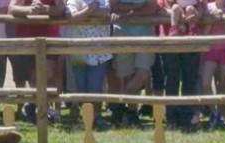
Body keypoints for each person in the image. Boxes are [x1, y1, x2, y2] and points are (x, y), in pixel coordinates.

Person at [9, 0, 65, 123]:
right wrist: (29, 10)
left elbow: (61, 9)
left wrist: (44, 8)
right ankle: (37, 109)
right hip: (27, 39)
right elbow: (12, 8)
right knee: (32, 77)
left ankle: (34, 106)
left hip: (49, 39)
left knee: (46, 73)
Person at [110, 0, 158, 127]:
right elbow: (113, 6)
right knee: (125, 74)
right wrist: (140, 7)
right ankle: (131, 112)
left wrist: (127, 12)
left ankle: (121, 104)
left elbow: (152, 8)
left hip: (145, 33)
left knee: (143, 72)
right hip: (121, 32)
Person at [158, 0, 205, 130]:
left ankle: (187, 115)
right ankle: (171, 116)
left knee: (189, 79)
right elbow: (160, 8)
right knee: (172, 80)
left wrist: (196, 14)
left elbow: (202, 6)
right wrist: (179, 16)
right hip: (170, 42)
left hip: (191, 41)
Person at [66, 0, 112, 128]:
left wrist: (84, 14)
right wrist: (91, 9)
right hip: (79, 50)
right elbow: (72, 17)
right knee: (81, 87)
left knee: (96, 86)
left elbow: (105, 12)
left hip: (100, 50)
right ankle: (86, 117)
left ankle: (96, 116)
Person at [199, 0, 225, 128]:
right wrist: (212, 19)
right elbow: (205, 32)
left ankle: (221, 112)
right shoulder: (207, 7)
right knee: (206, 82)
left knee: (222, 83)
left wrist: (223, 19)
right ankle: (213, 111)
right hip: (210, 50)